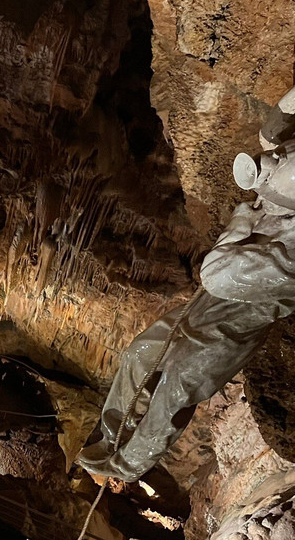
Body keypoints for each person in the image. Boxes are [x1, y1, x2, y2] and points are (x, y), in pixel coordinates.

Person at [78, 87, 295, 482]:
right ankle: (110, 436)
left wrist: (244, 219)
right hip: (205, 306)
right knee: (140, 354)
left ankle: (129, 464)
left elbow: (217, 272)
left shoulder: (291, 258)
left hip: (232, 326)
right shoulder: (279, 196)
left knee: (175, 385)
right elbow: (273, 132)